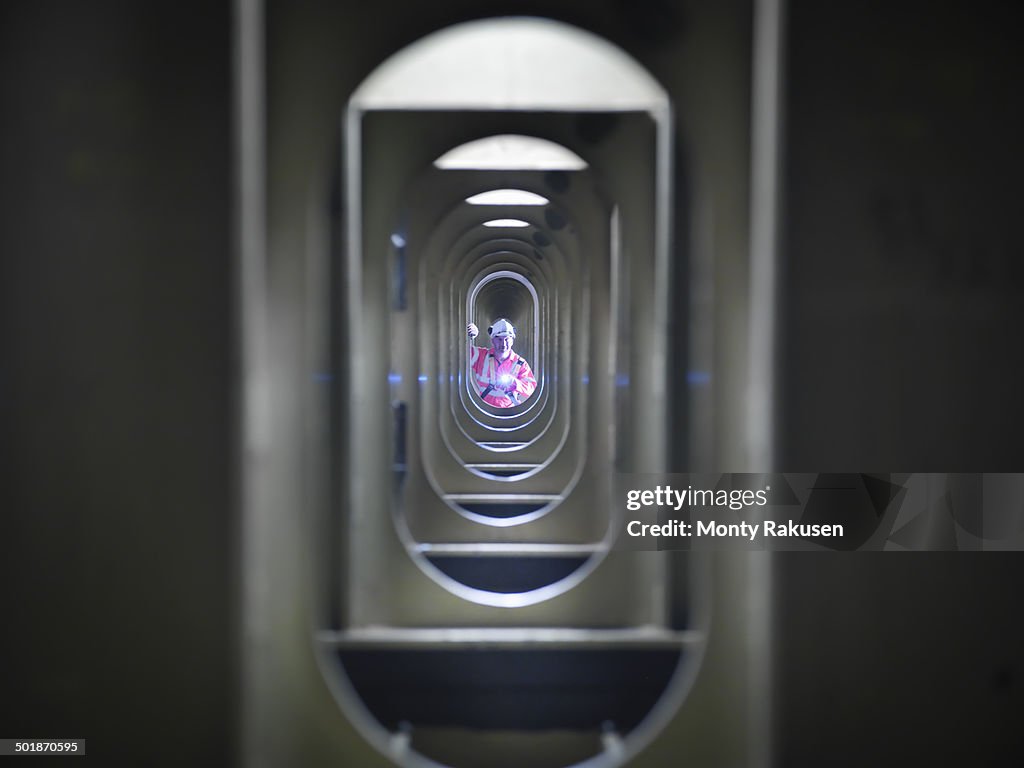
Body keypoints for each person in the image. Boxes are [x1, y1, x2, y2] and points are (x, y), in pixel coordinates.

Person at [465, 318, 537, 408]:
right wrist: (467, 336)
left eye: (507, 339)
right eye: (499, 339)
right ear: (492, 340)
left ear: (512, 340)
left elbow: (532, 389)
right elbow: (457, 350)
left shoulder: (521, 364)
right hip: (484, 411)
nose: (503, 344)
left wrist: (515, 383)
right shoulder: (480, 356)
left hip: (509, 413)